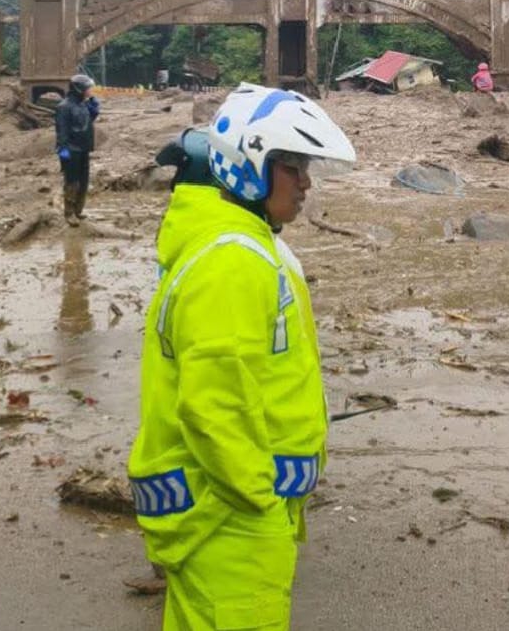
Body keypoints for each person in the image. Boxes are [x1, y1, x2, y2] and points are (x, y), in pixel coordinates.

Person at [128, 83, 356, 630]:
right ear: (250, 166)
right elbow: (215, 407)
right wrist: (259, 502)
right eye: (293, 167)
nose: (305, 183)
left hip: (226, 512)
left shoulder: (237, 244)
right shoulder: (232, 263)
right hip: (229, 518)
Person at [54, 74, 99, 226]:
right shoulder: (64, 107)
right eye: (88, 88)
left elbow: (87, 122)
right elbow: (62, 131)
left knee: (83, 181)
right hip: (71, 149)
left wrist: (94, 109)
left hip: (84, 148)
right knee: (72, 181)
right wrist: (63, 151)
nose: (91, 90)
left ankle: (78, 210)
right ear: (79, 89)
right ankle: (69, 213)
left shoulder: (83, 104)